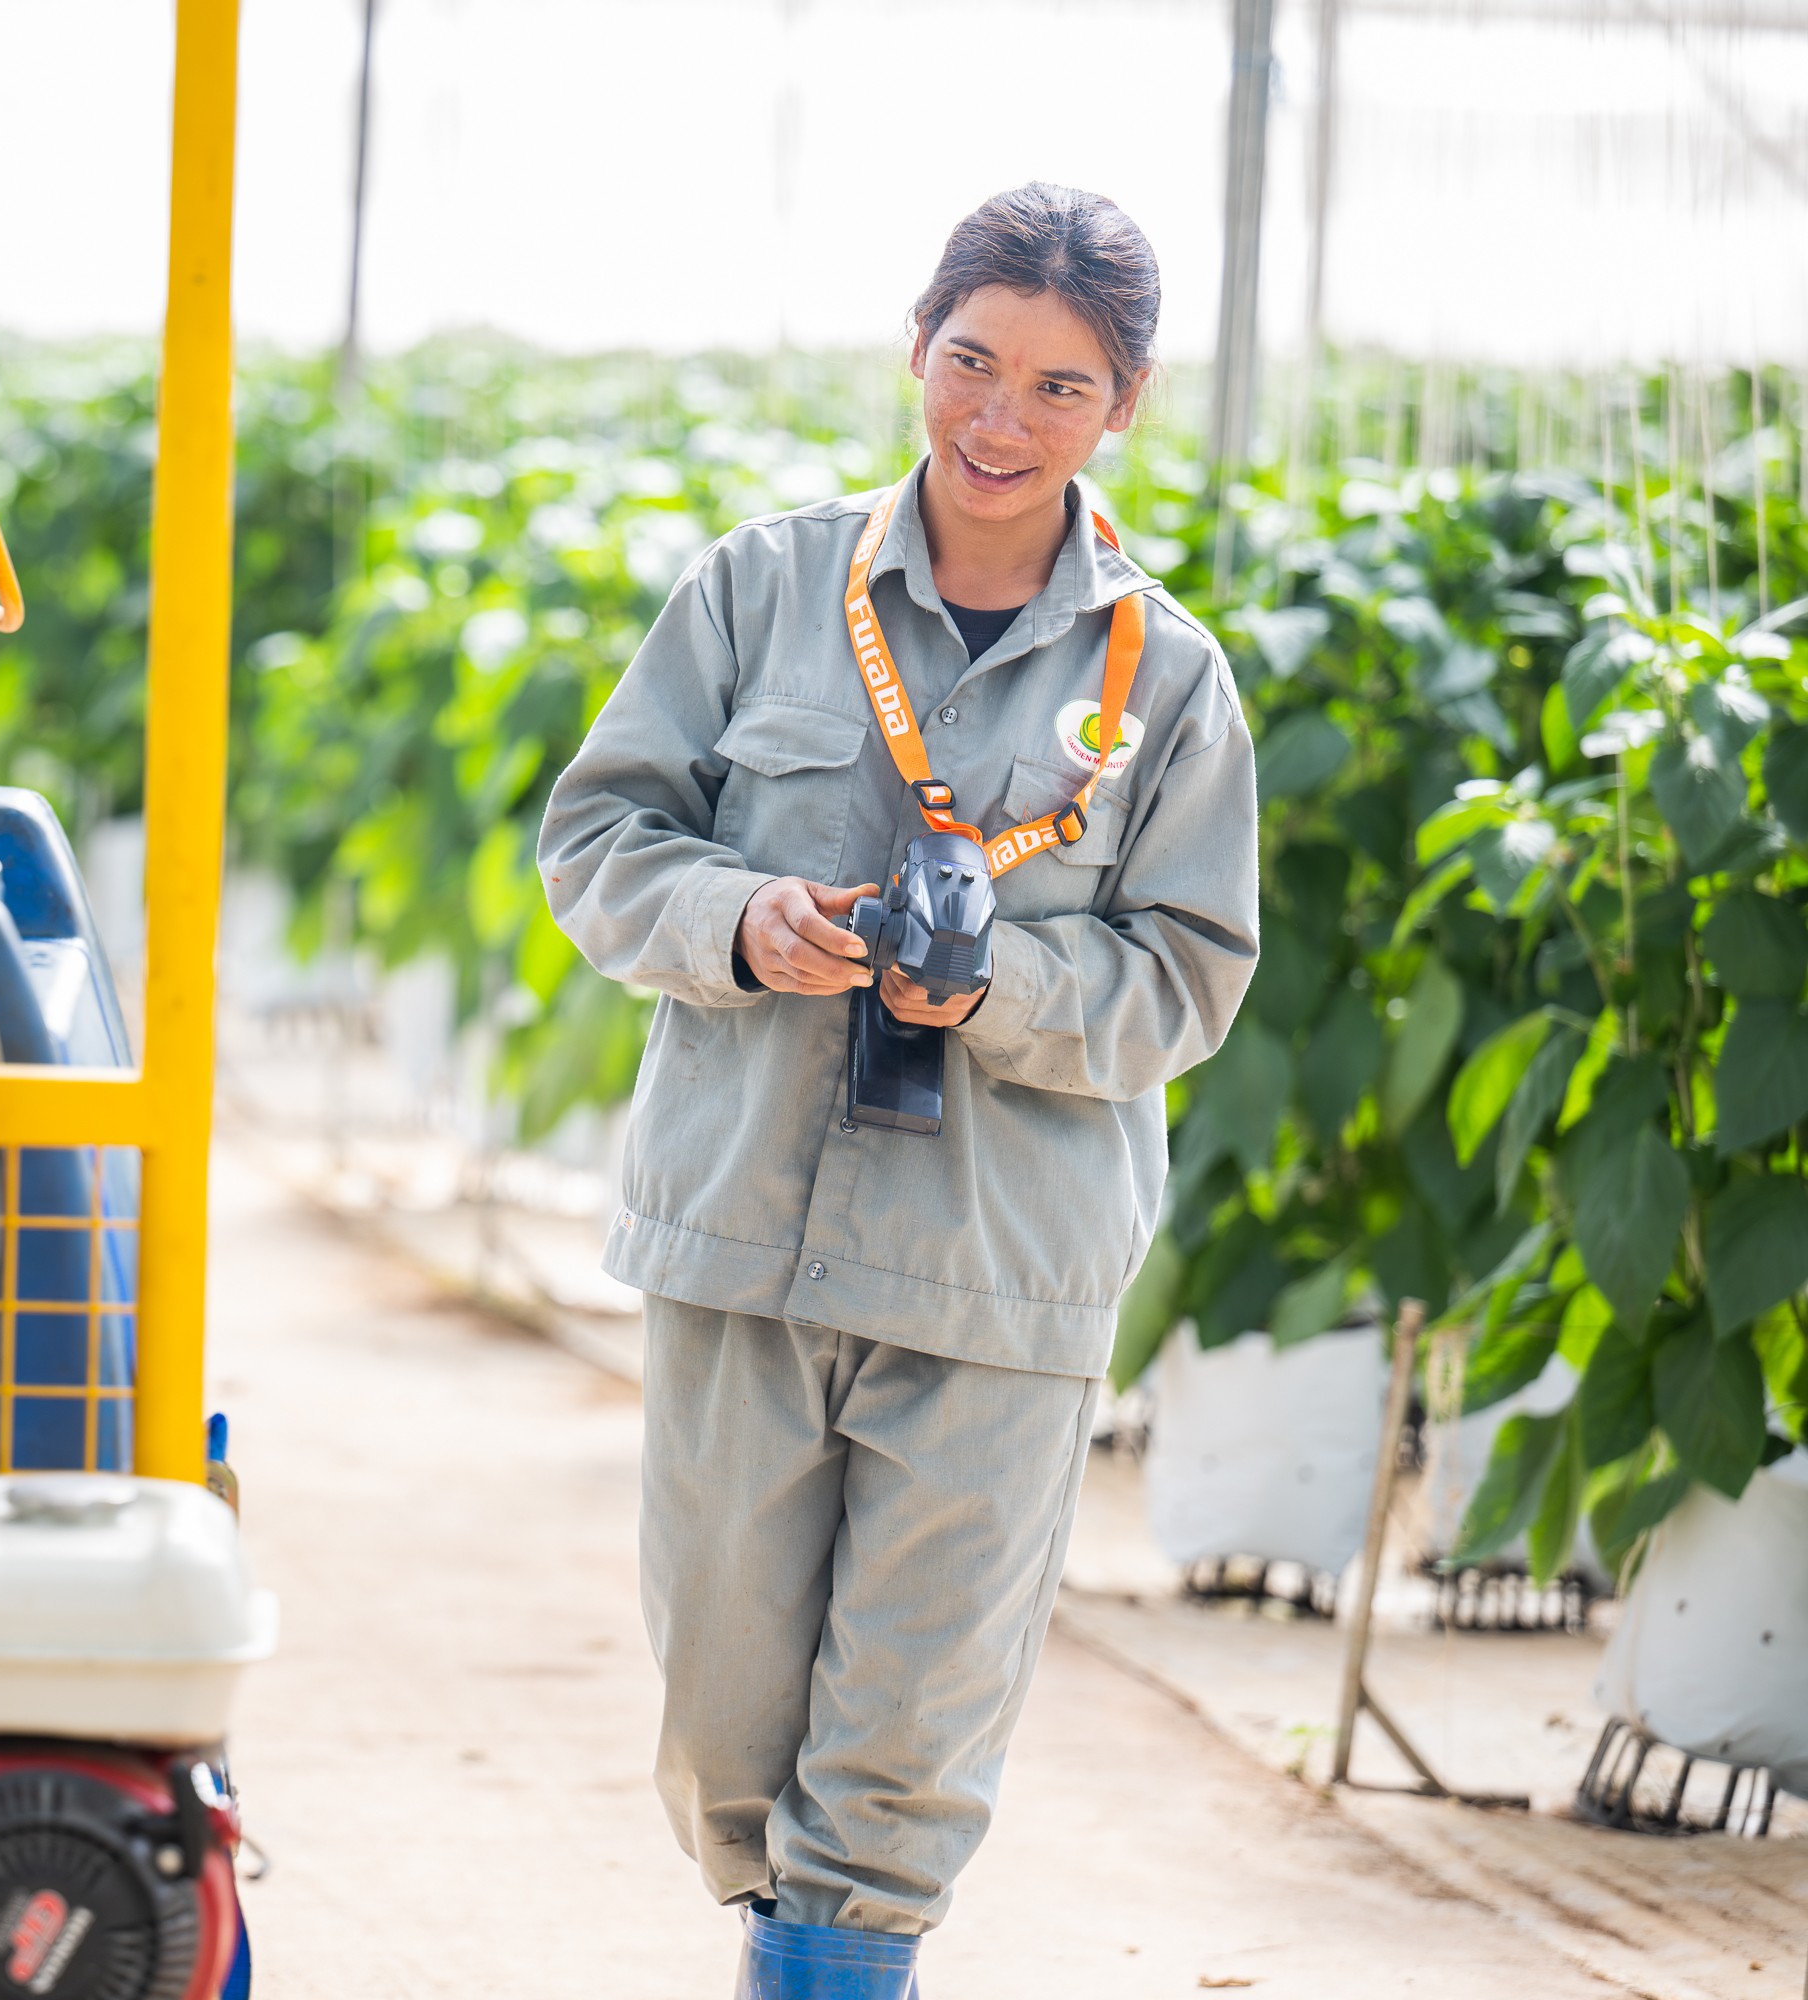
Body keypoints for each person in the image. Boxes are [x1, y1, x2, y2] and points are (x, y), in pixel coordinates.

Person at [537, 184, 1259, 1998]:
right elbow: (600, 838)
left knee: (903, 1742)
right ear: (917, 345)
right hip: (742, 1234)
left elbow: (1190, 973)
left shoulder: (1164, 679)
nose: (1001, 423)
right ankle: (789, 1922)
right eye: (973, 364)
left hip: (998, 1270)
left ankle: (835, 1962)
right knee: (722, 1717)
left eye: (1061, 389)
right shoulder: (761, 590)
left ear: (1127, 405)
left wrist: (1000, 983)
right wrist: (743, 917)